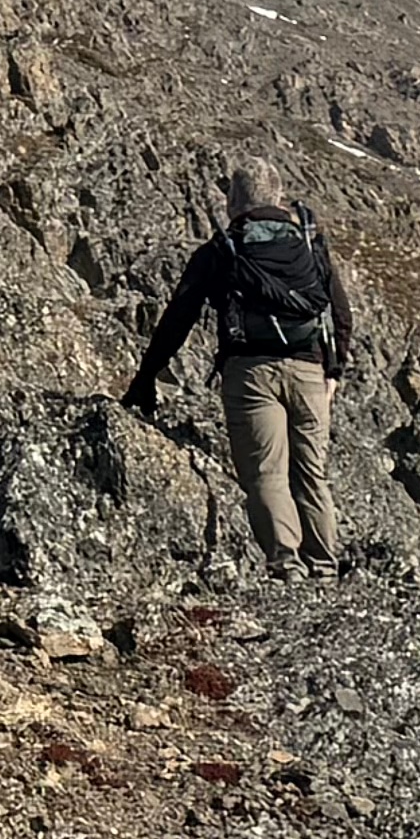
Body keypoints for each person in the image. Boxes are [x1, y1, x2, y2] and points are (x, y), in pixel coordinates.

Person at [126, 164, 355, 573]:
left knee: (267, 471)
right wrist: (333, 371)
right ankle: (323, 564)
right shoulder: (308, 240)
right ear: (280, 195)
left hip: (250, 372)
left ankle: (286, 564)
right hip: (310, 372)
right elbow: (340, 312)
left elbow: (178, 318)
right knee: (312, 473)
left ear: (233, 201)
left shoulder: (221, 250)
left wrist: (146, 377)